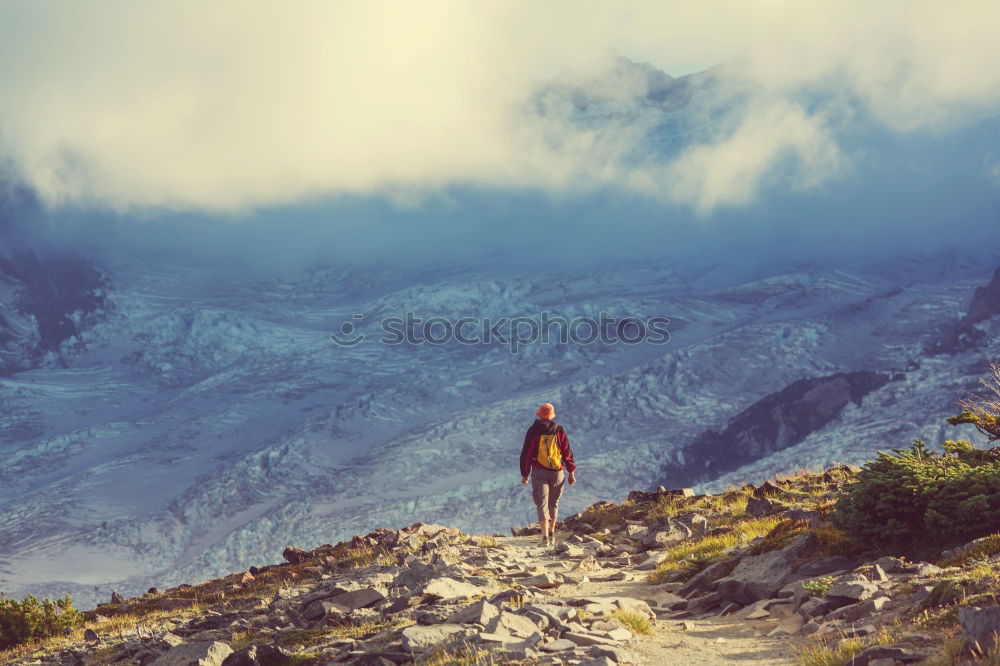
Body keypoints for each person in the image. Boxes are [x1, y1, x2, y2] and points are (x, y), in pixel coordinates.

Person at [520, 402, 576, 548]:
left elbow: (527, 454)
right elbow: (566, 452)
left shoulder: (533, 430)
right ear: (551, 416)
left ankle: (545, 538)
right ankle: (552, 533)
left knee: (541, 503)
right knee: (554, 503)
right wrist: (571, 472)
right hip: (558, 472)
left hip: (539, 472)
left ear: (539, 414)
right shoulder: (558, 429)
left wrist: (525, 474)